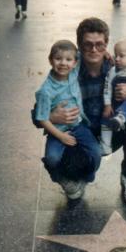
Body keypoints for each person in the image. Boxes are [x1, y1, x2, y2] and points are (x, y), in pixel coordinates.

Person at [47, 17, 126, 204]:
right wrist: (51, 116)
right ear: (79, 45)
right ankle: (77, 176)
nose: (94, 50)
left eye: (99, 45)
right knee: (60, 159)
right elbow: (38, 107)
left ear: (106, 45)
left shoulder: (119, 67)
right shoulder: (67, 70)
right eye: (88, 45)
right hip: (80, 134)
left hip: (111, 129)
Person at [35, 40, 101, 200]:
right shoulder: (46, 91)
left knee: (96, 153)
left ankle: (86, 178)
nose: (63, 63)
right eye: (58, 59)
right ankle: (63, 180)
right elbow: (42, 119)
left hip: (79, 125)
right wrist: (60, 136)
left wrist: (103, 53)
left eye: (68, 59)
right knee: (52, 158)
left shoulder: (73, 73)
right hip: (58, 130)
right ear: (50, 60)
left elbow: (83, 56)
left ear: (74, 63)